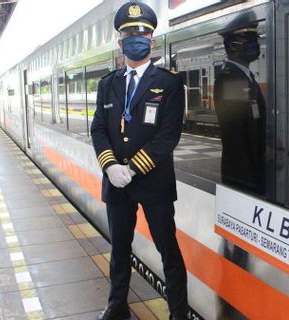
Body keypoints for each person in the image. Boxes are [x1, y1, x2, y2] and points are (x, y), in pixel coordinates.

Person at [90, 2, 188, 319]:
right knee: (119, 249)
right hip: (117, 184)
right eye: (130, 33)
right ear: (120, 42)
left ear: (152, 40)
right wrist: (109, 166)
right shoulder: (108, 83)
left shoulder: (170, 83)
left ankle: (178, 314)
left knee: (168, 251)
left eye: (142, 33)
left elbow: (168, 136)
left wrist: (131, 168)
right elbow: (98, 128)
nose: (136, 38)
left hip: (154, 183)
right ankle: (117, 307)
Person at [214, 13, 266, 197]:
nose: (254, 44)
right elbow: (239, 132)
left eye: (254, 39)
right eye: (248, 39)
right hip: (243, 173)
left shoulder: (244, 76)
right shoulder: (231, 79)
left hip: (248, 169)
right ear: (232, 45)